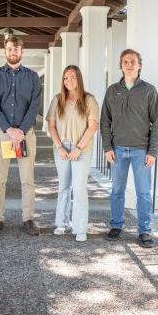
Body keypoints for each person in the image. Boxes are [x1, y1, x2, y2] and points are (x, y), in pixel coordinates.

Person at [100, 49, 158, 248]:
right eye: (125, 61)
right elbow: (104, 122)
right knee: (117, 191)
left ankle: (145, 231)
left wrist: (152, 151)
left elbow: (157, 123)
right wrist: (107, 147)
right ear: (121, 65)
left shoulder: (149, 90)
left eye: (133, 61)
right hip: (117, 150)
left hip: (140, 151)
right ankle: (116, 225)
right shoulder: (112, 90)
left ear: (139, 65)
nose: (129, 64)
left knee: (143, 192)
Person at [0, 36, 41, 235]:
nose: (13, 52)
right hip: (2, 134)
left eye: (16, 49)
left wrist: (21, 131)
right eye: (9, 48)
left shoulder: (33, 77)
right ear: (5, 51)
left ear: (22, 52)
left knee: (27, 180)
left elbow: (34, 106)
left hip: (26, 134)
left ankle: (28, 219)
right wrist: (9, 130)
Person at [46, 65, 99, 242]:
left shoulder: (89, 100)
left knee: (79, 188)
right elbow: (51, 126)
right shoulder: (57, 100)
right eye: (66, 78)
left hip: (81, 148)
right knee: (63, 186)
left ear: (79, 79)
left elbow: (93, 127)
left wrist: (78, 148)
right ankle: (61, 223)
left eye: (73, 77)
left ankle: (80, 227)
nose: (69, 81)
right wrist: (60, 147)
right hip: (62, 147)